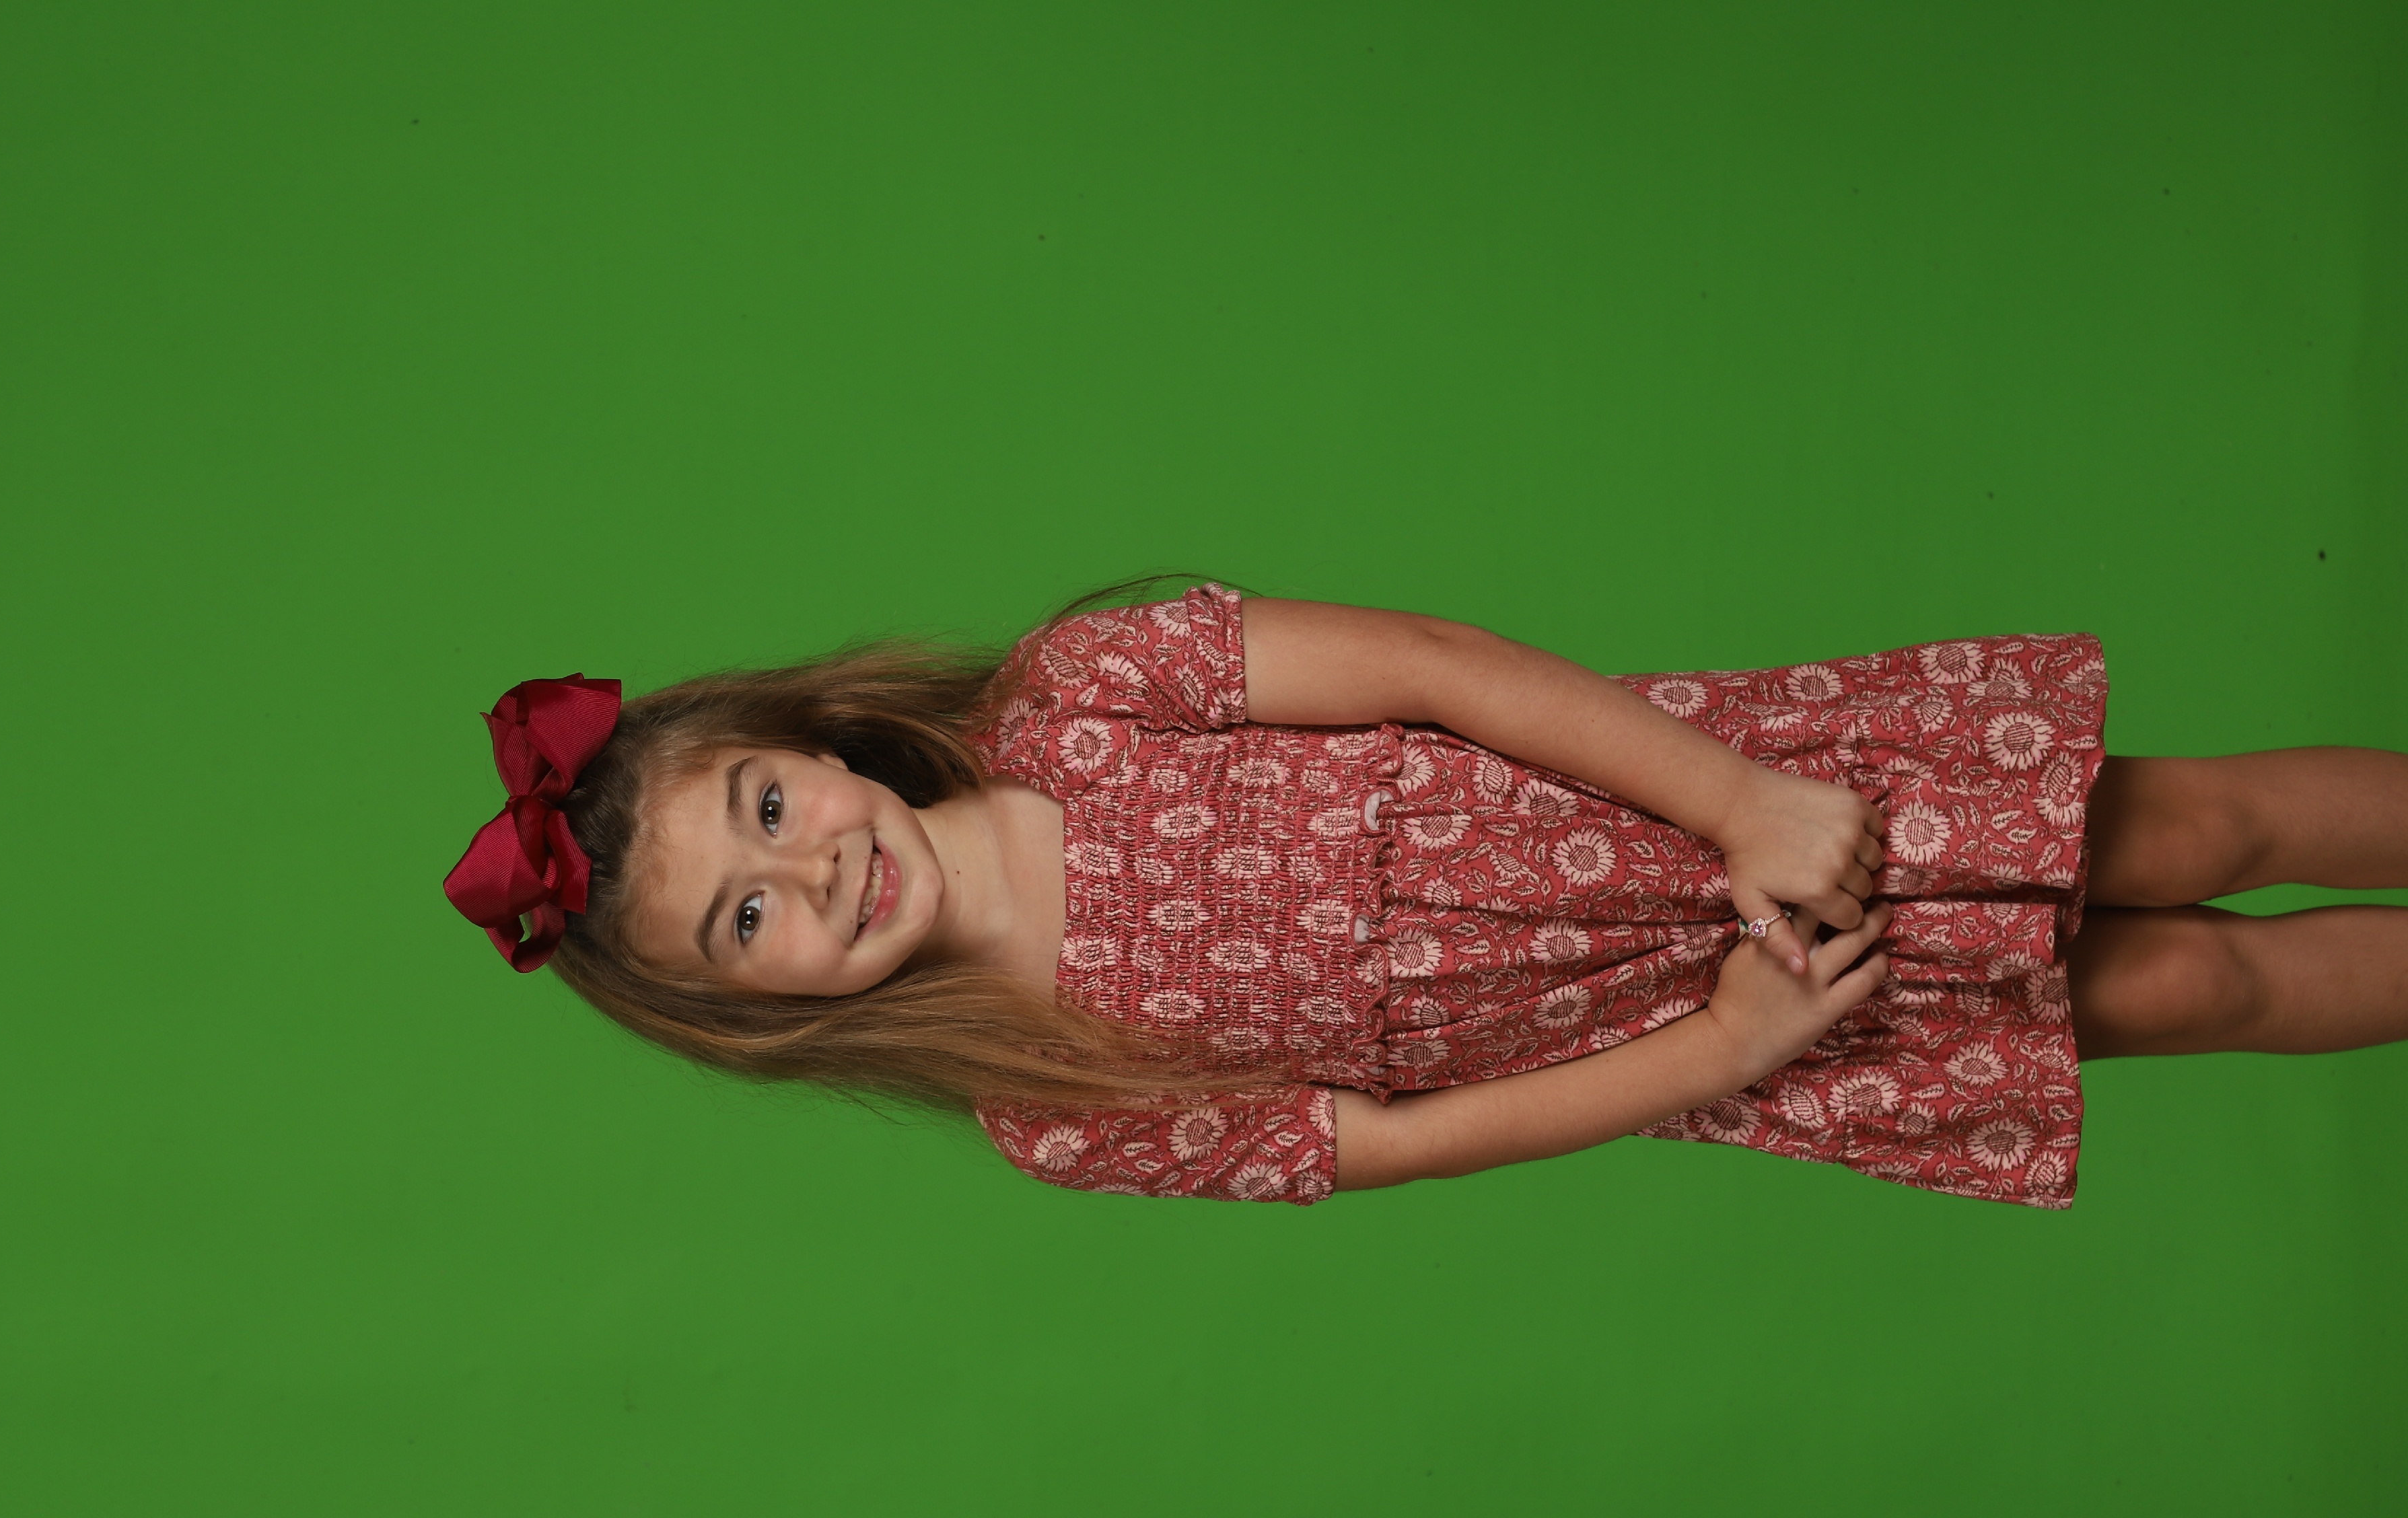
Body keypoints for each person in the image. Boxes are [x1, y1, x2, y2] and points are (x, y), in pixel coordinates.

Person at [441, 581, 2408, 1207]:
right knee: (2186, 997)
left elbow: (1434, 671)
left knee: (2185, 834)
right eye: (750, 920)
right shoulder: (1054, 1105)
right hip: (1705, 1018)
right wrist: (1727, 1049)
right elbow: (1389, 1139)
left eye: (767, 807)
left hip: (1717, 810)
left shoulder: (1082, 690)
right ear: (762, 1015)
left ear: (804, 738)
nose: (811, 867)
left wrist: (1743, 804)